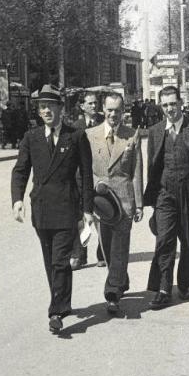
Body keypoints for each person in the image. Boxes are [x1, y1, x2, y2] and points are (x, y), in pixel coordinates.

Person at [11, 84, 94, 334]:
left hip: (67, 208)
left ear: (60, 108)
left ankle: (56, 311)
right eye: (41, 107)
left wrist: (87, 210)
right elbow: (21, 170)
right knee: (51, 262)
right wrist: (17, 200)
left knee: (60, 260)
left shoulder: (76, 136)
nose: (45, 110)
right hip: (41, 209)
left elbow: (87, 176)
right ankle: (63, 302)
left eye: (50, 106)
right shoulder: (31, 137)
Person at [144, 86, 189, 309]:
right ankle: (163, 289)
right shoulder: (156, 131)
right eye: (166, 105)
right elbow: (152, 165)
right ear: (161, 106)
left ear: (181, 103)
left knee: (188, 241)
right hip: (164, 193)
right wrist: (151, 199)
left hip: (188, 191)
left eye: (173, 104)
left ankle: (185, 283)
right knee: (164, 240)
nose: (170, 109)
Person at [86, 92, 143, 314]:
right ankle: (121, 279)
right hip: (101, 202)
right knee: (108, 248)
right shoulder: (91, 135)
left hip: (124, 201)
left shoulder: (132, 136)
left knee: (120, 247)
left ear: (123, 111)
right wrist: (91, 193)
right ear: (103, 109)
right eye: (109, 110)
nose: (113, 114)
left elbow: (137, 171)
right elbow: (86, 168)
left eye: (118, 110)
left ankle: (112, 294)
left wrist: (139, 204)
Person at [70, 91, 106, 270]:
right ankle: (79, 255)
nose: (94, 106)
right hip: (80, 177)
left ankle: (102, 253)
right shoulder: (75, 127)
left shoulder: (104, 122)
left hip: (99, 176)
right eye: (90, 103)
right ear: (82, 106)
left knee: (102, 216)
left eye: (95, 103)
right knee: (80, 218)